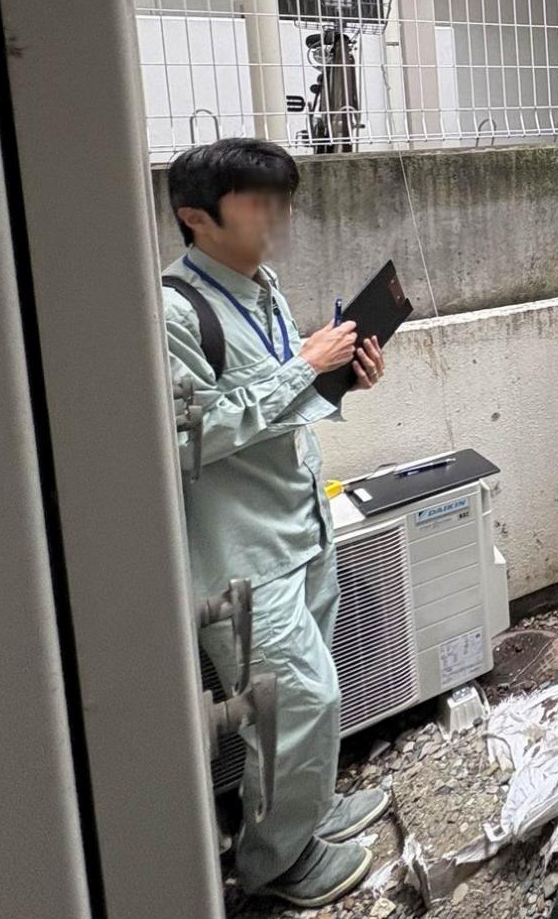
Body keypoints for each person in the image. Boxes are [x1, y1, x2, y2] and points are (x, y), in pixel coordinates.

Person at [164, 139, 391, 909]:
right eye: (258, 202)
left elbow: (277, 404)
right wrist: (304, 364)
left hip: (301, 526)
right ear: (197, 217)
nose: (277, 217)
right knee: (298, 702)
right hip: (243, 559)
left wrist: (340, 377)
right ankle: (276, 865)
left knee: (298, 705)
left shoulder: (262, 287)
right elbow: (185, 437)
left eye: (282, 200)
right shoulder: (173, 310)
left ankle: (308, 816)